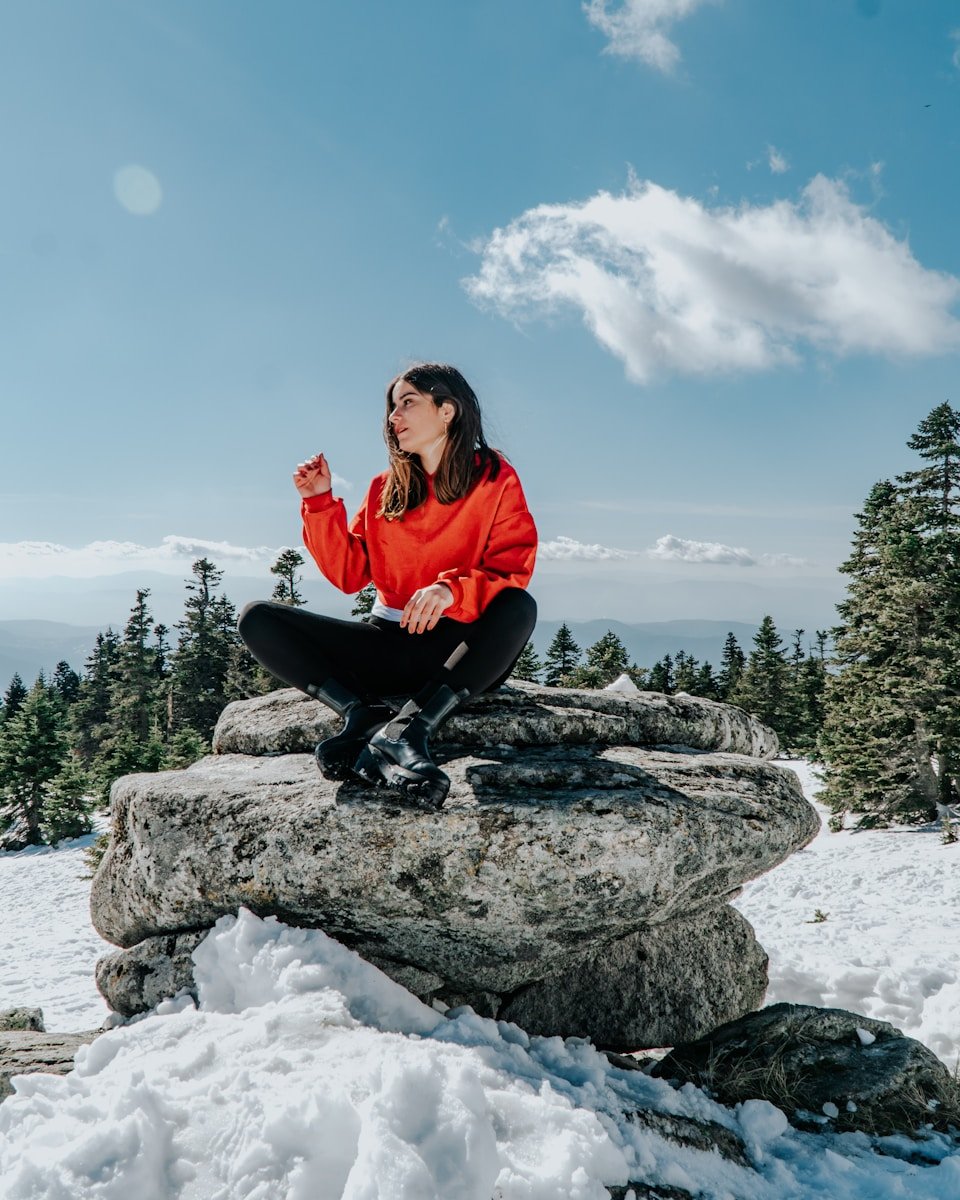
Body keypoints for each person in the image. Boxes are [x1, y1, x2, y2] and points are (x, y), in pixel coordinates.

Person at [237, 362, 538, 809]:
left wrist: (451, 590)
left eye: (407, 403)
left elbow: (512, 566)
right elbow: (349, 574)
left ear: (447, 411)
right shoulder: (384, 488)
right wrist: (318, 502)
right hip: (387, 646)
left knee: (518, 606)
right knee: (257, 619)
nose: (393, 417)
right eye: (391, 407)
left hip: (457, 653)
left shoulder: (494, 477)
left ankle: (408, 730)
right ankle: (363, 715)